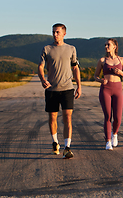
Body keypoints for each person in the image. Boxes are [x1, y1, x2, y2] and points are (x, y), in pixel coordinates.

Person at [38, 23, 81, 159]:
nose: (55, 34)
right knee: (53, 117)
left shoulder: (71, 49)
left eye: (57, 32)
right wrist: (42, 79)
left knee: (68, 117)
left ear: (64, 33)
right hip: (51, 89)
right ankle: (55, 142)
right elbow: (40, 66)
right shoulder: (46, 49)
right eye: (53, 32)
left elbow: (75, 68)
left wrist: (79, 85)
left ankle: (67, 147)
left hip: (67, 89)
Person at [94, 38, 123, 150]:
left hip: (118, 88)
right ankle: (108, 141)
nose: (106, 47)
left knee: (118, 118)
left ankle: (115, 134)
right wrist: (101, 81)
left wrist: (120, 73)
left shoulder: (122, 60)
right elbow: (95, 76)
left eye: (108, 44)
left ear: (115, 46)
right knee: (108, 116)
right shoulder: (102, 61)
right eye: (105, 45)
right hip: (106, 89)